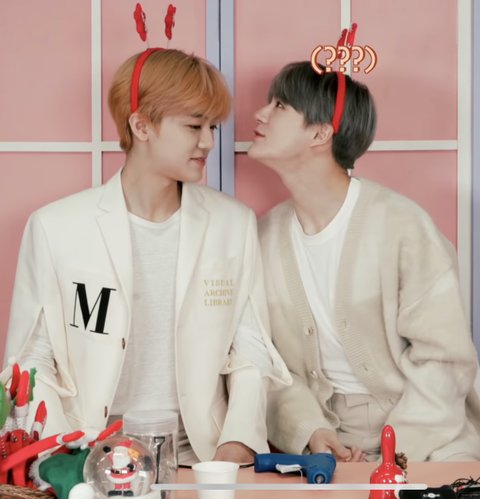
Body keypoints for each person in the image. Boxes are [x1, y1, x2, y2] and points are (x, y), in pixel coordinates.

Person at [2, 48, 290, 464]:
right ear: (141, 126)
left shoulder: (233, 223)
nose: (208, 142)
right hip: (87, 456)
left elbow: (251, 346)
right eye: (193, 126)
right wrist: (63, 454)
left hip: (201, 457)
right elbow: (32, 360)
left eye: (212, 126)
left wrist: (238, 441)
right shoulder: (55, 226)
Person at [248, 61, 480, 462]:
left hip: (428, 442)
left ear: (320, 133)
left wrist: (394, 453)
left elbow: (444, 359)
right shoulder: (264, 236)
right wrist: (311, 431)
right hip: (328, 450)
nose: (259, 114)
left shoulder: (402, 225)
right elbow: (270, 363)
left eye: (280, 106)